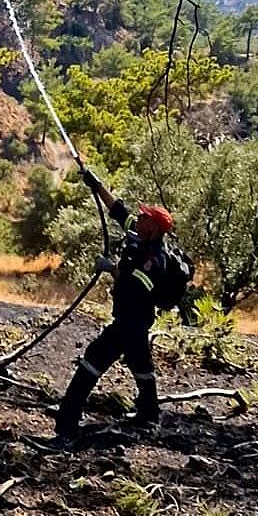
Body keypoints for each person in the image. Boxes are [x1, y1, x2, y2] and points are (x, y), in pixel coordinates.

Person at [53, 168, 174, 445]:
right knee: (141, 367)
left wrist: (111, 268)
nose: (139, 216)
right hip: (133, 322)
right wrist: (96, 184)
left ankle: (66, 423)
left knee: (91, 362)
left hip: (131, 322)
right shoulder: (138, 232)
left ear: (153, 228)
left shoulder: (156, 258)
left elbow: (135, 286)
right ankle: (148, 414)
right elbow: (117, 209)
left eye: (145, 216)